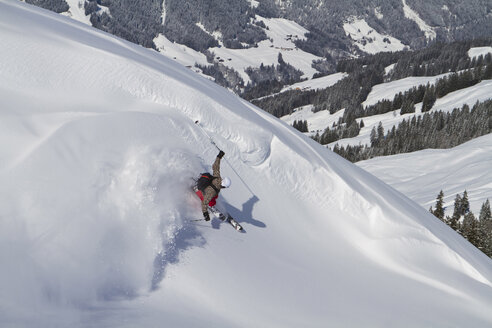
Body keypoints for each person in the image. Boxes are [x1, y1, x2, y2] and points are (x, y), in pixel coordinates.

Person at [195, 150, 231, 221]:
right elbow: (204, 203)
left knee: (216, 196)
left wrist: (219, 156)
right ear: (223, 186)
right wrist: (205, 214)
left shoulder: (217, 177)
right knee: (212, 201)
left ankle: (210, 201)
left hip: (206, 185)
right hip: (203, 190)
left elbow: (215, 166)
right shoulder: (212, 192)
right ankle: (211, 206)